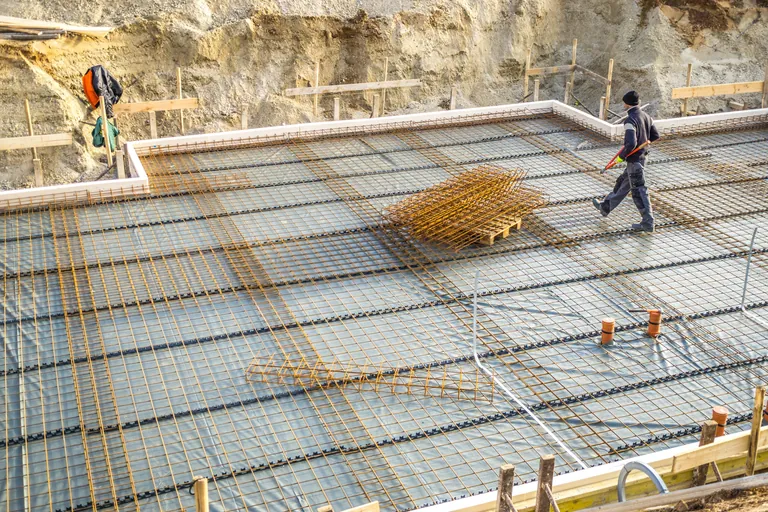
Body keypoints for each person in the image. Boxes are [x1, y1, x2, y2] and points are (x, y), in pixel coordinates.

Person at [593, 90, 660, 232]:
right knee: (624, 183)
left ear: (626, 104)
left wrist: (622, 156)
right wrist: (644, 142)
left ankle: (648, 223)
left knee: (639, 191)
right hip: (642, 158)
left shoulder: (630, 120)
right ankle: (606, 206)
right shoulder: (647, 116)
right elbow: (655, 135)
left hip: (635, 161)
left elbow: (631, 143)